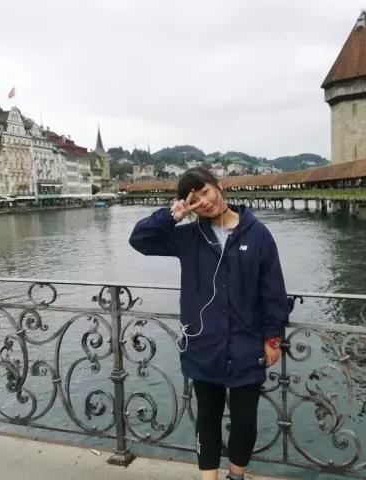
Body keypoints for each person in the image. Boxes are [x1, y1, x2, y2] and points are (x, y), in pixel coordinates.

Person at [129, 167, 289, 480]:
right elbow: (140, 240)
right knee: (207, 418)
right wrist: (172, 214)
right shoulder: (189, 237)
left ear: (219, 186)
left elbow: (273, 290)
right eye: (194, 199)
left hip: (246, 344)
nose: (203, 201)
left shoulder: (257, 234)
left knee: (245, 421)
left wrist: (273, 337)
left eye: (205, 191)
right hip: (203, 343)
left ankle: (236, 475)